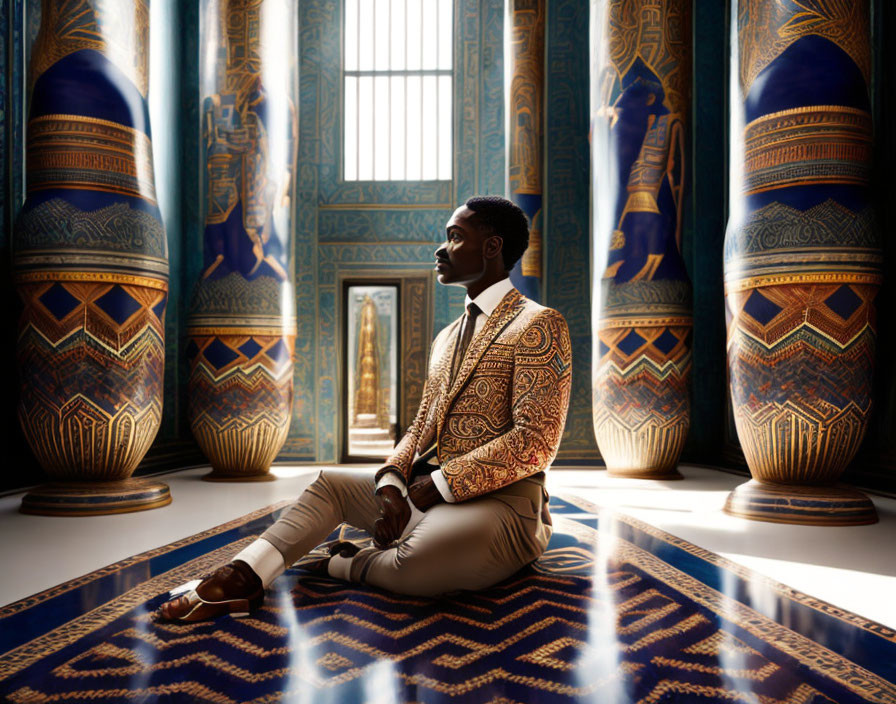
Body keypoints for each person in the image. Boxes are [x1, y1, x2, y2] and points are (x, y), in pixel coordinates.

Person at [157, 195, 573, 622]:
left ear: (492, 247)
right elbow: (419, 428)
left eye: (454, 238)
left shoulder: (538, 323)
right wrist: (392, 483)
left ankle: (339, 562)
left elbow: (535, 441)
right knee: (330, 484)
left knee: (416, 566)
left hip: (504, 505)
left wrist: (438, 486)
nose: (441, 249)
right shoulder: (446, 337)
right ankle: (243, 577)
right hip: (426, 495)